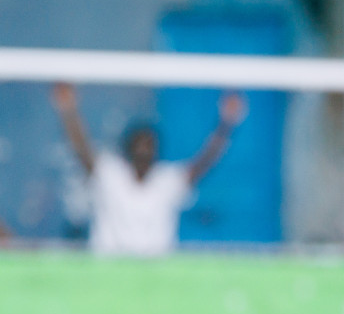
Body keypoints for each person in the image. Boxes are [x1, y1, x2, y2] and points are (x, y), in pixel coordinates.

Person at [52, 83, 246, 256]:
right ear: (128, 152)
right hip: (108, 272)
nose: (143, 155)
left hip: (156, 277)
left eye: (148, 150)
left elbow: (204, 162)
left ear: (156, 154)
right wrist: (68, 109)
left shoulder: (167, 182)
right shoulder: (110, 175)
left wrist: (226, 124)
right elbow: (81, 149)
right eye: (139, 149)